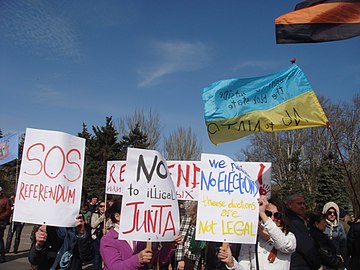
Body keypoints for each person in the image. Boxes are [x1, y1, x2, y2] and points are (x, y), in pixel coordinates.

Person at [218, 195, 297, 270]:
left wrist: (263, 216)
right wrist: (232, 263)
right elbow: (244, 267)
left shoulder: (289, 236)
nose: (272, 218)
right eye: (268, 214)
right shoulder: (251, 238)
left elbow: (285, 245)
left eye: (277, 215)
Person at [100, 199, 178, 270]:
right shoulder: (108, 240)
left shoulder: (140, 236)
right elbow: (114, 267)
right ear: (117, 216)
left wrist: (170, 245)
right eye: (132, 213)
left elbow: (156, 259)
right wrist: (138, 259)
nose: (137, 215)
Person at [28, 214, 94, 270]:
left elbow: (87, 257)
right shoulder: (46, 227)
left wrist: (82, 234)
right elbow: (33, 260)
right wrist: (39, 245)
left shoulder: (82, 227)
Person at [285, 193, 321, 270]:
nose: (302, 206)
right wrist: (317, 264)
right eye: (299, 204)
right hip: (299, 264)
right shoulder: (294, 222)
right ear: (290, 204)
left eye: (303, 203)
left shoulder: (295, 219)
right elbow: (306, 247)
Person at [175, 201, 205, 270]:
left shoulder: (209, 221)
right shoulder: (189, 217)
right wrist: (180, 259)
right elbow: (180, 238)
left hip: (199, 259)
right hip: (187, 257)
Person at [322, 202, 347, 266]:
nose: (332, 215)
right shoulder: (321, 225)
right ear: (325, 213)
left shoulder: (339, 226)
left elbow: (343, 242)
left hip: (337, 258)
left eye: (334, 213)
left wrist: (342, 256)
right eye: (330, 213)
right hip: (324, 259)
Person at [90, 201, 107, 270]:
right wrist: (101, 218)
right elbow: (93, 225)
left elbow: (110, 225)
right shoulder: (95, 214)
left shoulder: (108, 216)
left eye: (104, 206)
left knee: (104, 255)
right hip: (96, 236)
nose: (102, 208)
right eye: (101, 206)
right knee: (97, 255)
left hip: (105, 236)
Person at [0, 186, 11, 263]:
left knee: (0, 239)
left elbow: (8, 211)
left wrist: (1, 217)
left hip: (1, 222)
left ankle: (2, 255)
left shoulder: (5, 200)